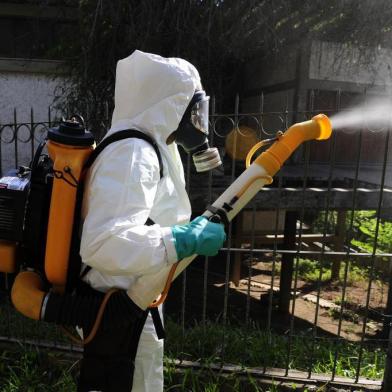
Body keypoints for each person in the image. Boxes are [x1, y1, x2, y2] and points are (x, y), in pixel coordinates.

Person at [78, 50, 226, 392]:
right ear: (172, 105)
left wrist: (181, 235)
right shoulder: (134, 153)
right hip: (116, 302)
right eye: (195, 110)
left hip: (133, 296)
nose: (197, 121)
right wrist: (181, 240)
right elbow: (101, 242)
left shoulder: (149, 144)